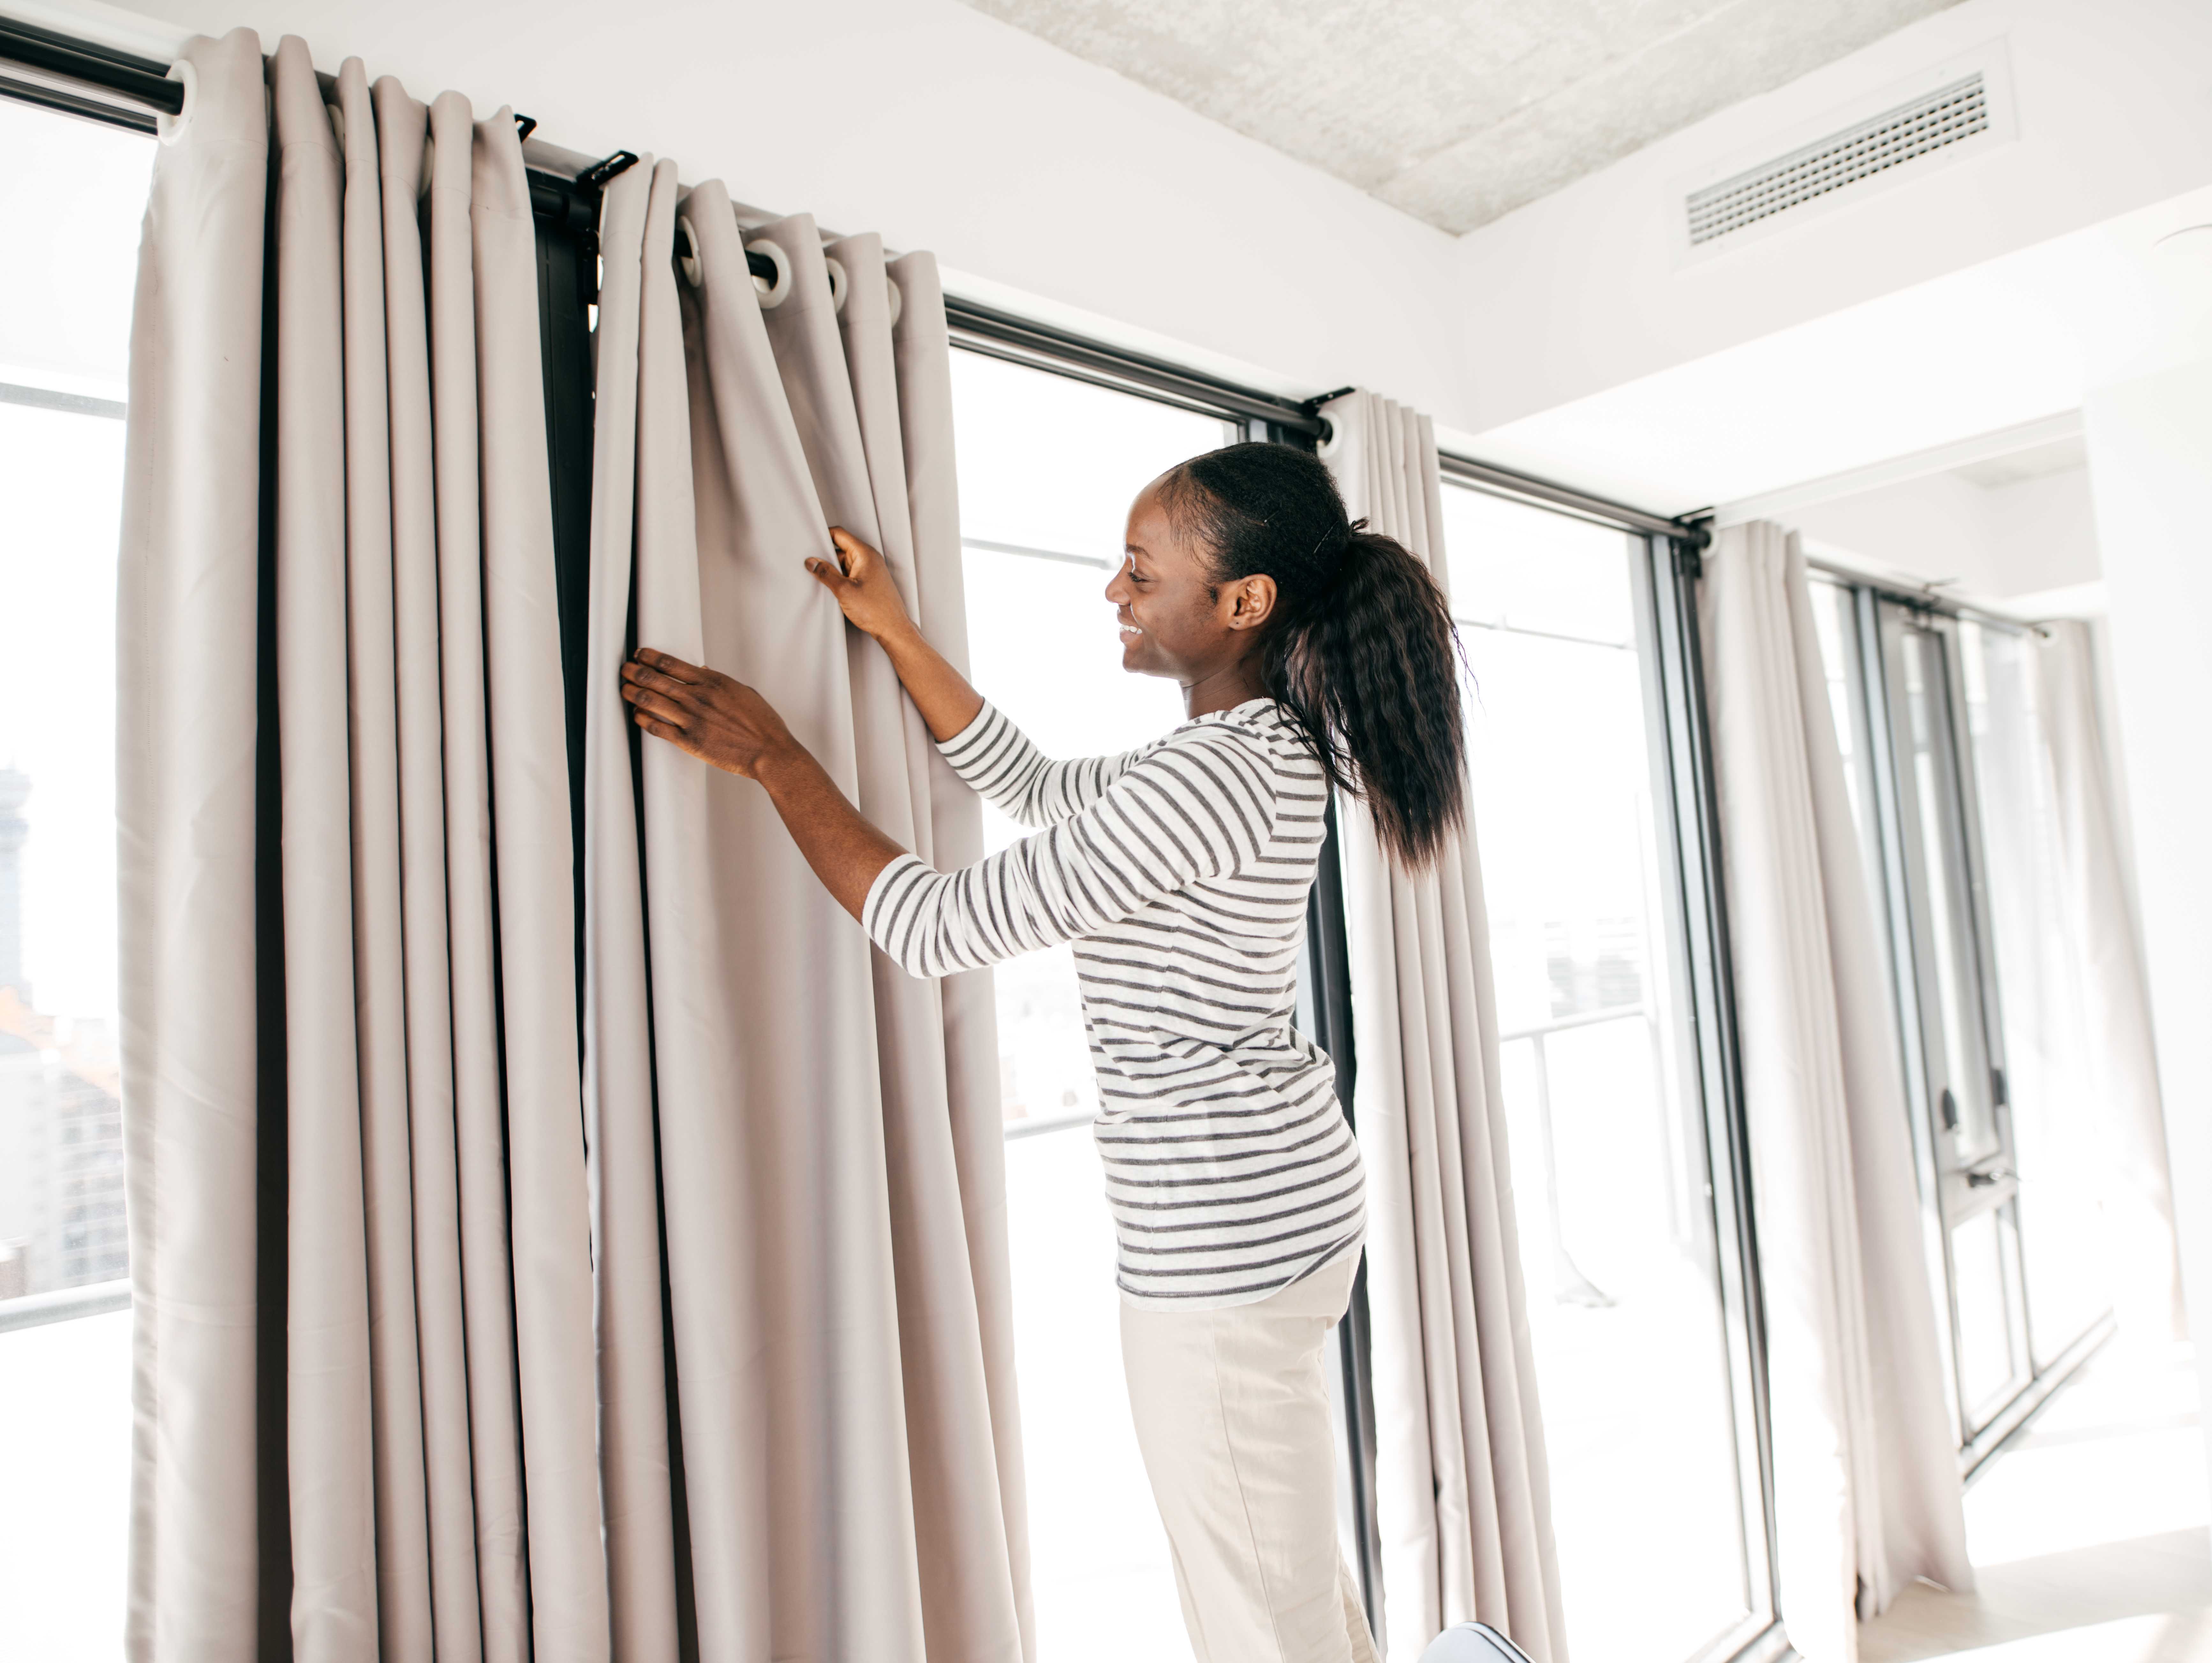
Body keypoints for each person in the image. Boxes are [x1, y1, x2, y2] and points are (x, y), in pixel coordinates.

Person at [618, 441, 1465, 1663]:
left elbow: (936, 924)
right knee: (1280, 1578)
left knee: (1259, 1625)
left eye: (1140, 570)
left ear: (1243, 604)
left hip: (1219, 1257)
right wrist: (897, 634)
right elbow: (1038, 784)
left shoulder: (1214, 776)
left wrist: (772, 756)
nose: (1113, 593)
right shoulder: (1252, 753)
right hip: (1276, 1215)